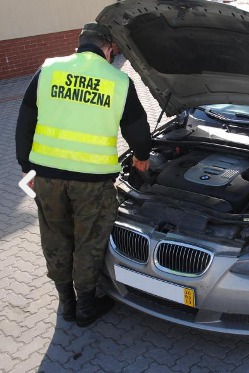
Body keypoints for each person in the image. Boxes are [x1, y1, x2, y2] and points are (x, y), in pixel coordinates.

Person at [15, 23, 152, 327]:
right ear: (109, 48)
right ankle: (86, 308)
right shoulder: (117, 80)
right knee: (88, 241)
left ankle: (66, 304)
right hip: (92, 182)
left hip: (48, 178)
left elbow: (25, 118)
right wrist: (142, 157)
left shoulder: (49, 69)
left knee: (55, 237)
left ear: (79, 44)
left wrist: (27, 166)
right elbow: (139, 133)